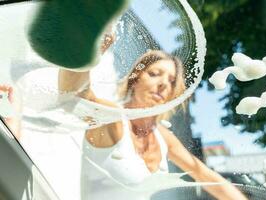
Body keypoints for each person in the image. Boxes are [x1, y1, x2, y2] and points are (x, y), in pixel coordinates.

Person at [58, 47, 248, 199]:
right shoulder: (113, 120)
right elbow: (74, 95)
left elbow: (208, 177)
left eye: (172, 81)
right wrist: (85, 49)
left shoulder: (163, 137)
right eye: (155, 73)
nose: (164, 83)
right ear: (135, 79)